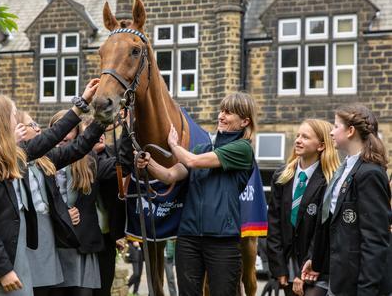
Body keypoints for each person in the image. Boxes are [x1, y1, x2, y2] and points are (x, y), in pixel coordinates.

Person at [0, 79, 100, 296]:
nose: (17, 119)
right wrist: (3, 270)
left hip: (13, 256)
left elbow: (53, 137)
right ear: (1, 122)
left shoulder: (14, 157)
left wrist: (87, 107)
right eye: (13, 115)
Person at [137, 92, 257, 296]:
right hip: (188, 239)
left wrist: (174, 145)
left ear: (244, 121)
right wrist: (148, 162)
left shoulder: (242, 149)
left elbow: (192, 161)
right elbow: (169, 175)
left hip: (222, 241)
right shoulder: (202, 148)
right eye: (221, 111)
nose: (221, 116)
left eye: (228, 113)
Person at [16, 109, 109, 296]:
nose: (38, 128)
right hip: (26, 241)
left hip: (54, 241)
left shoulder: (46, 160)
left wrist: (104, 116)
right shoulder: (8, 163)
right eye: (33, 124)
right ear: (18, 129)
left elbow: (79, 146)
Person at [303, 104, 391, 296]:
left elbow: (375, 239)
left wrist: (366, 291)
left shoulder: (370, 173)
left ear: (350, 131)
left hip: (358, 284)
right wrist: (317, 260)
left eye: (335, 126)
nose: (331, 132)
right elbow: (334, 225)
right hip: (338, 278)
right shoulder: (344, 170)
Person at [51, 114, 132, 296]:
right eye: (58, 130)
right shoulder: (43, 161)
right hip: (53, 246)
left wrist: (126, 128)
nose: (63, 135)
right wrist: (62, 214)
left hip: (85, 244)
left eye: (69, 130)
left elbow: (123, 165)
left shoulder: (89, 161)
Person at [266, 119, 339, 296]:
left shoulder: (329, 180)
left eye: (305, 137)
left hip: (316, 267)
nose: (298, 140)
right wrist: (279, 268)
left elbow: (322, 230)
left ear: (321, 145)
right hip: (287, 266)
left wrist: (303, 273)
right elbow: (274, 224)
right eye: (298, 135)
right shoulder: (282, 176)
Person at [92, 133, 127, 296]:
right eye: (94, 132)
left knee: (104, 287)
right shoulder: (82, 159)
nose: (100, 136)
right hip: (83, 238)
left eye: (102, 132)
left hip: (107, 237)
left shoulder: (111, 153)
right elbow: (115, 165)